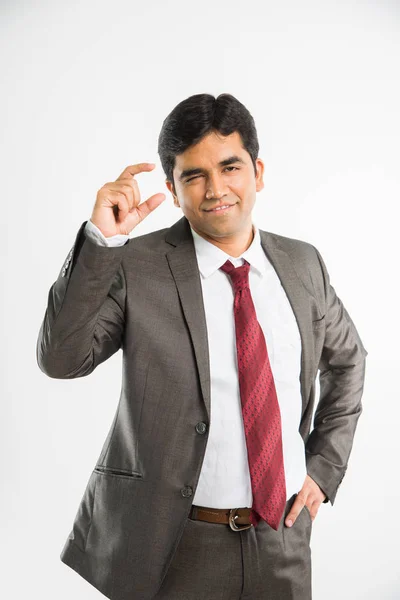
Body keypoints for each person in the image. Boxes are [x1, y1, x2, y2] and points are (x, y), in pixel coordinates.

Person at [36, 93, 368, 600]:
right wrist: (102, 243)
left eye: (229, 167)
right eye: (194, 175)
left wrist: (324, 469)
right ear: (172, 189)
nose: (216, 189)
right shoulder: (135, 265)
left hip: (282, 535)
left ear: (257, 172)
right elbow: (62, 359)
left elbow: (348, 362)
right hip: (172, 543)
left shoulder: (303, 265)